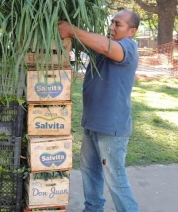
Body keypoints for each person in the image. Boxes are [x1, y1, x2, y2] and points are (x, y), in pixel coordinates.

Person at [58, 9, 140, 212]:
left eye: (118, 24)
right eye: (112, 22)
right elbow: (91, 44)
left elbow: (104, 46)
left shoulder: (127, 48)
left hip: (111, 127)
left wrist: (70, 28)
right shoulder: (106, 48)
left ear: (132, 31)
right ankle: (92, 209)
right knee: (90, 172)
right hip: (92, 123)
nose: (111, 27)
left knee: (115, 180)